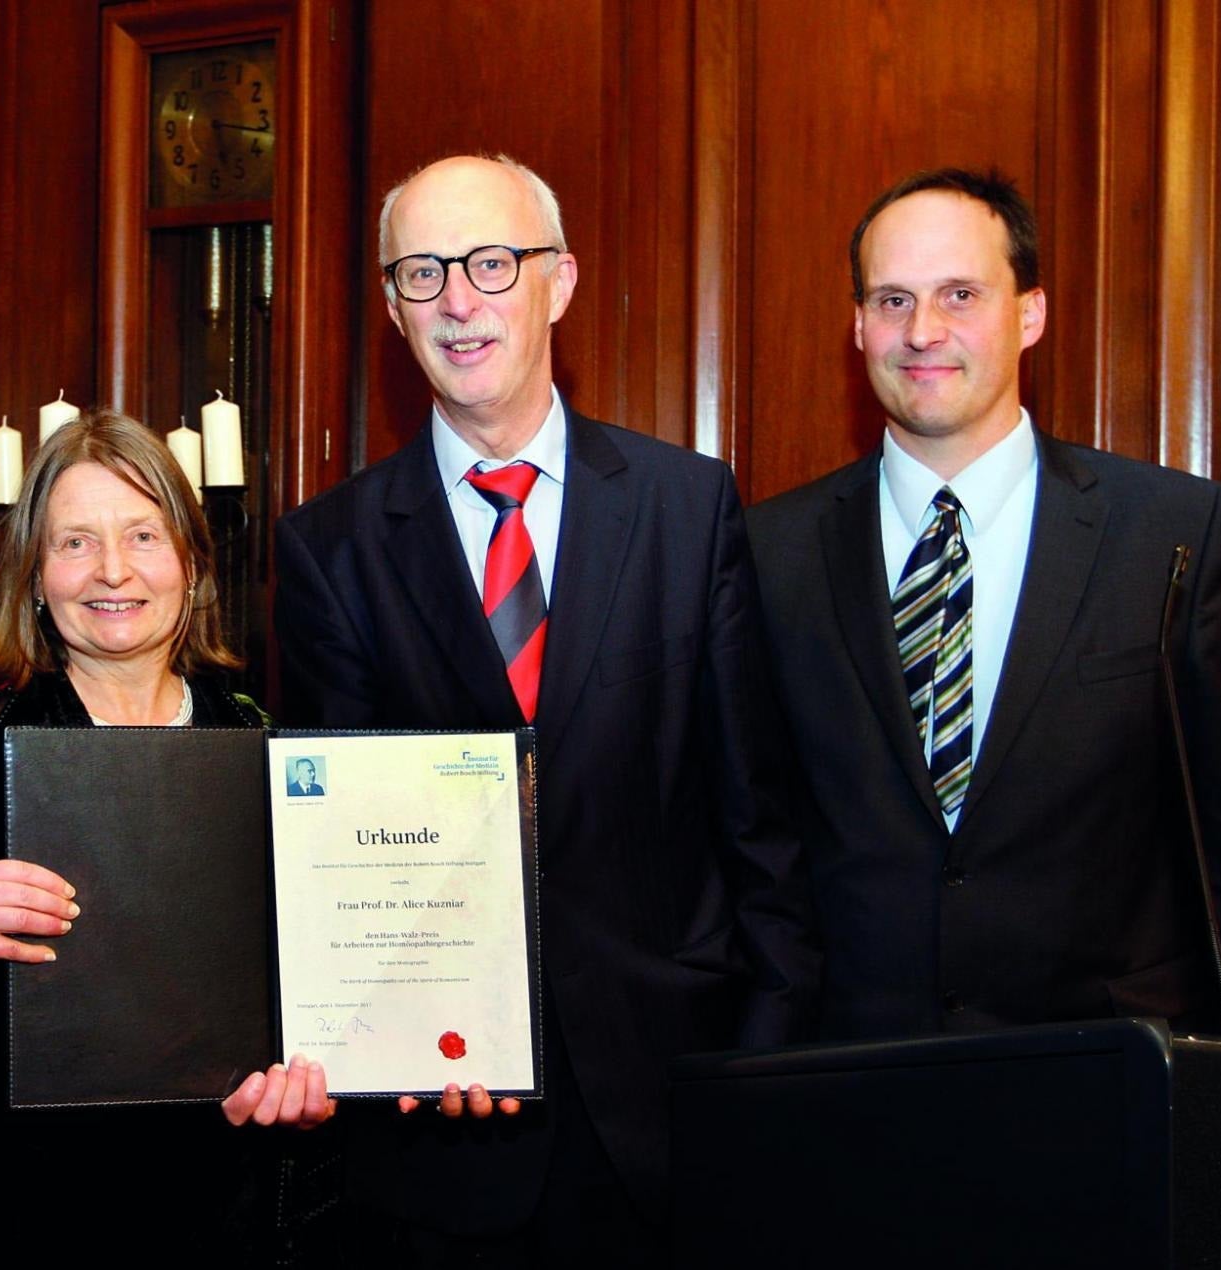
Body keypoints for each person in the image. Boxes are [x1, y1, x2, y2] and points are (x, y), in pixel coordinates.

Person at [273, 154, 816, 1261]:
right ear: (389, 306)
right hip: (438, 1131)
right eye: (421, 274)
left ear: (558, 282)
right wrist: (393, 1051)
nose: (458, 302)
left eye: (490, 263)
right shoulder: (327, 549)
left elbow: (758, 825)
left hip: (666, 1113)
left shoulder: (687, 507)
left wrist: (756, 1073)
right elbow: (332, 854)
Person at [746, 168, 1221, 1040]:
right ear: (857, 326)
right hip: (854, 1093)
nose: (922, 332)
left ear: (1029, 313)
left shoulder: (1171, 535)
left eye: (959, 294)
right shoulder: (769, 552)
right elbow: (755, 857)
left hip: (1107, 1091)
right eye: (892, 300)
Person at [0, 411, 336, 1263]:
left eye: (144, 536)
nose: (112, 570)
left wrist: (313, 1076)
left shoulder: (269, 752)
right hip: (37, 1222)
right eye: (74, 542)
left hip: (236, 1211)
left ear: (192, 566)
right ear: (35, 577)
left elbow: (320, 992)